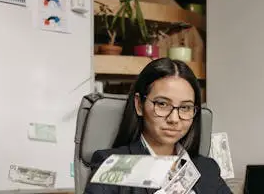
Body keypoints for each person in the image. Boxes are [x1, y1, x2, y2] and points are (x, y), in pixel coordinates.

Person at [84, 57, 232, 194]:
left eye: (185, 107)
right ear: (139, 105)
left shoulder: (207, 168)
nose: (174, 119)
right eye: (162, 104)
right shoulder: (113, 165)